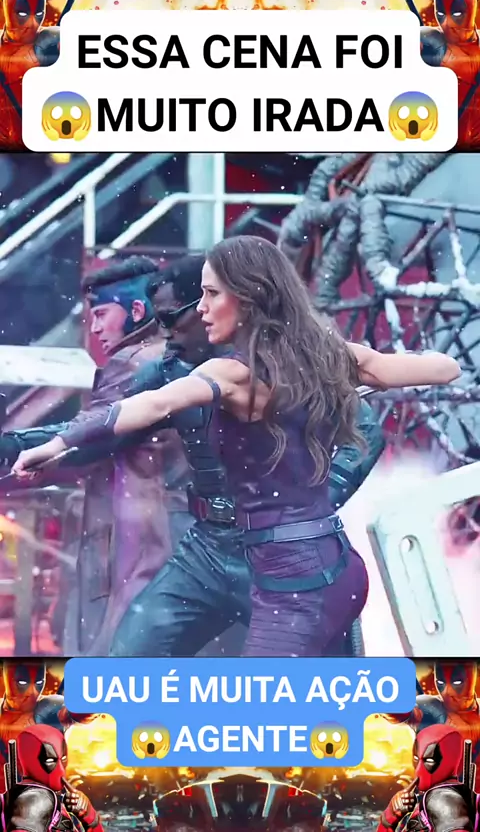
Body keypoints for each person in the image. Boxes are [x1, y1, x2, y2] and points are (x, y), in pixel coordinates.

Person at [12, 237, 461, 656]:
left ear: (249, 296)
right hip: (212, 550)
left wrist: (314, 501)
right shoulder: (312, 356)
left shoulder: (280, 364)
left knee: (299, 694)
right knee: (129, 666)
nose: (197, 311)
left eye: (210, 296)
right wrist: (50, 443)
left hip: (297, 563)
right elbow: (442, 369)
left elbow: (398, 405)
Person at [0, 255, 191, 655]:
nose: (95, 326)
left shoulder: (136, 361)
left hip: (143, 533)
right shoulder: (162, 356)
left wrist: (15, 448)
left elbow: (93, 435)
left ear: (136, 311)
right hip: (159, 528)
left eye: (102, 314)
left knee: (121, 655)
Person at [0, 723, 104, 832]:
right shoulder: (37, 799)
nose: (61, 770)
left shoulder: (49, 798)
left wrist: (90, 817)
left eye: (63, 758)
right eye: (50, 760)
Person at [0, 661, 97, 776]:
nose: (32, 692)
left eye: (39, 682)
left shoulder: (47, 708)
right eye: (22, 682)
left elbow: (79, 712)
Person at [378, 724, 478, 832]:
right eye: (416, 758)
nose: (418, 770)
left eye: (429, 760)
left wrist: (389, 818)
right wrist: (390, 816)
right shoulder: (439, 796)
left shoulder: (441, 799)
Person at [0, 0, 63, 150]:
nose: (33, 23)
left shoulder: (49, 42)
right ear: (8, 8)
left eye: (40, 14)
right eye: (23, 14)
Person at [384, 663, 480, 771]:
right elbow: (397, 712)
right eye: (440, 682)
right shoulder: (430, 708)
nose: (447, 692)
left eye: (457, 682)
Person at [420, 0, 480, 148]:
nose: (447, 23)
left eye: (457, 13)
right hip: (438, 150)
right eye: (440, 13)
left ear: (471, 8)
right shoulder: (431, 43)